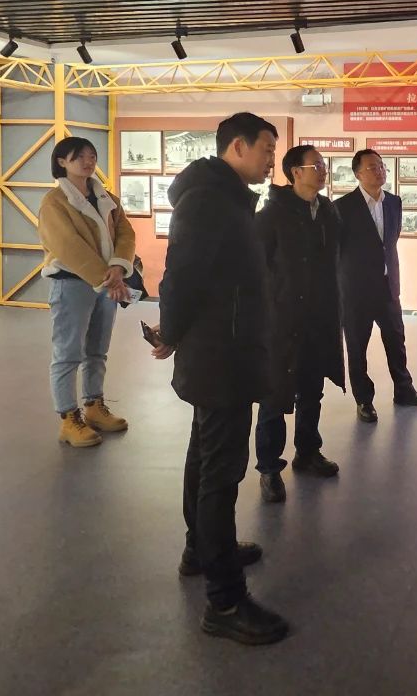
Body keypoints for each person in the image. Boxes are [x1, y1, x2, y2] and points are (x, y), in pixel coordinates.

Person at [150, 112, 289, 646]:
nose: (272, 159)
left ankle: (202, 550)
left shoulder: (227, 197)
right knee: (221, 472)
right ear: (237, 146)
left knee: (205, 455)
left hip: (225, 350)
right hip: (220, 356)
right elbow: (181, 274)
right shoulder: (208, 200)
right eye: (266, 148)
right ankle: (225, 601)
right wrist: (170, 331)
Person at [253, 144, 346, 503]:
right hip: (282, 320)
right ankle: (269, 468)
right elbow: (258, 267)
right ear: (295, 173)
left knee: (312, 390)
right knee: (274, 395)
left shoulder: (328, 212)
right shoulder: (272, 215)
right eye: (316, 165)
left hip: (319, 318)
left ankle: (307, 452)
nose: (323, 171)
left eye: (323, 165)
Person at [37, 136, 135, 448]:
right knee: (68, 353)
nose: (87, 161)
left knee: (97, 350)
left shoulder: (106, 197)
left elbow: (125, 233)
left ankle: (94, 405)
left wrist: (118, 266)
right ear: (61, 162)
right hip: (72, 284)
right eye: (79, 156)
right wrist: (109, 279)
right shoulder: (54, 202)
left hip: (107, 283)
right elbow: (66, 245)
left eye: (91, 156)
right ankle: (69, 418)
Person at [336, 149, 417, 422]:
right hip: (356, 291)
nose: (379, 171)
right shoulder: (342, 207)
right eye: (372, 167)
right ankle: (364, 400)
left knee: (396, 341)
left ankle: (404, 390)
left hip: (388, 287)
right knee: (357, 348)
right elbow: (338, 249)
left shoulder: (394, 202)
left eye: (381, 166)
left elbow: (390, 242)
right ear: (358, 173)